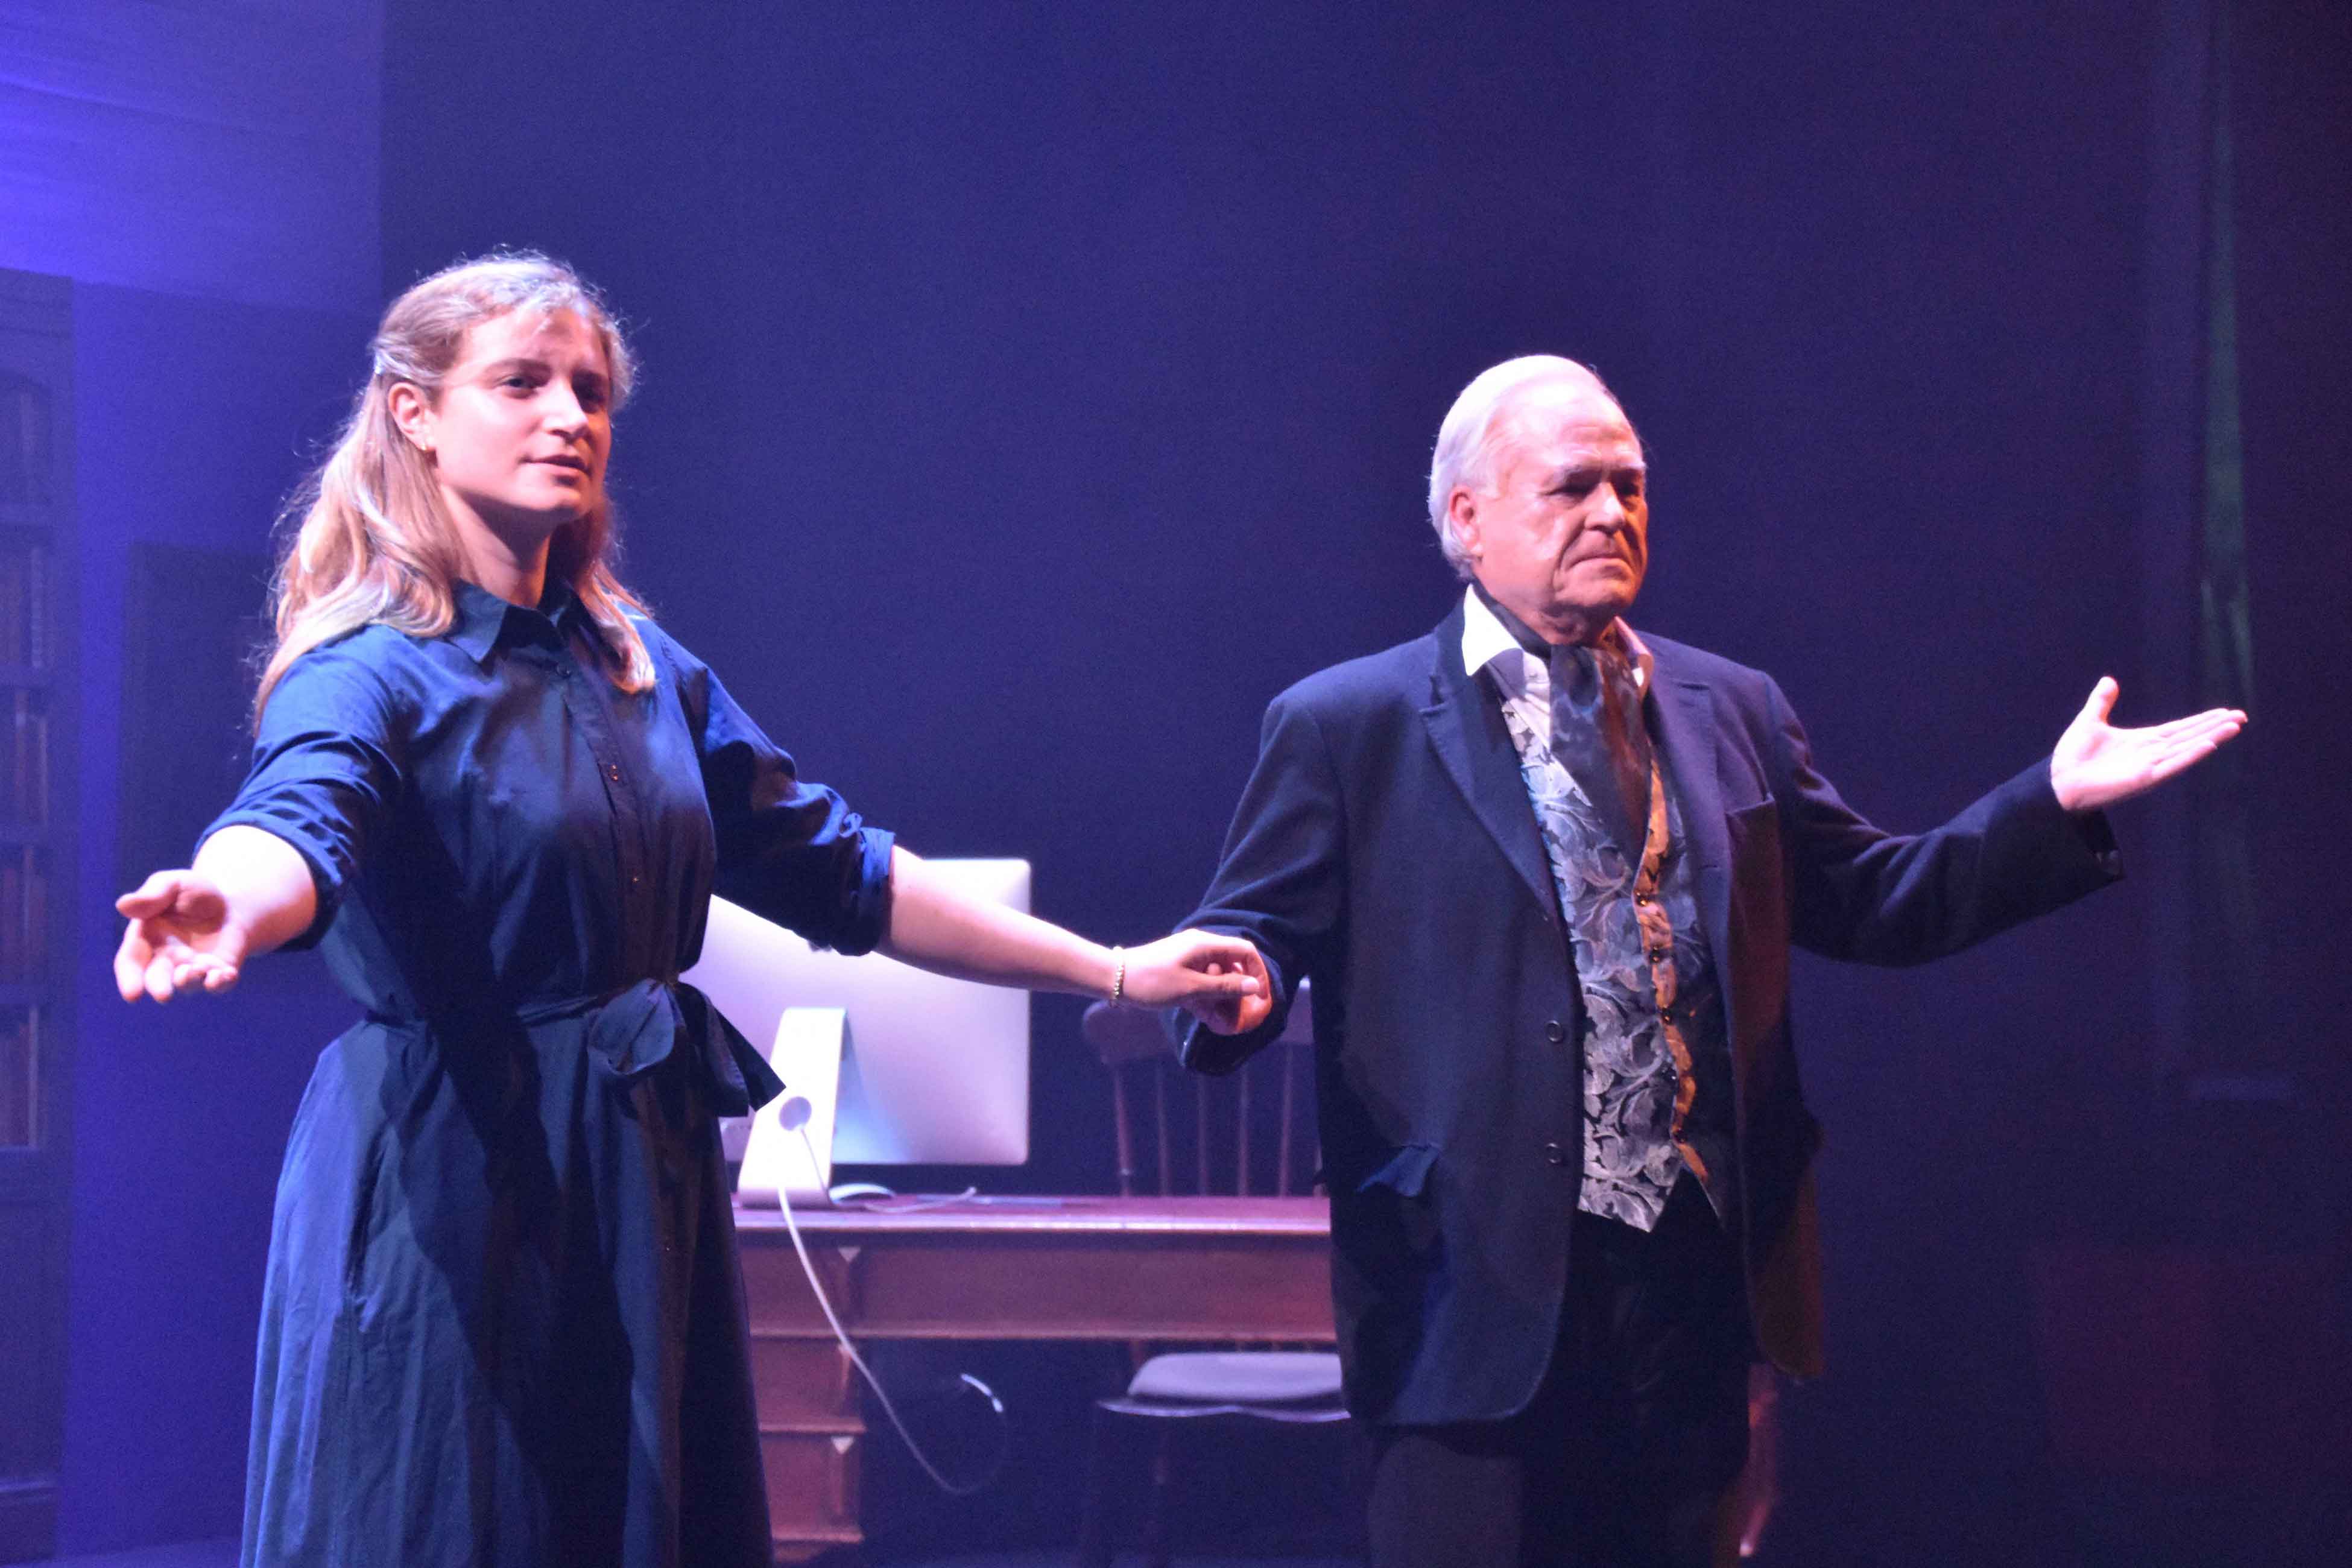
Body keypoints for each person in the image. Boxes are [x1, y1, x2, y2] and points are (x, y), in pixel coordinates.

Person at [112, 251, 1265, 1568]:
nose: (570, 416)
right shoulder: (368, 666)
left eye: (591, 391)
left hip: (634, 1169)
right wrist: (230, 898)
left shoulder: (639, 667)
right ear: (412, 413)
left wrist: (1117, 968)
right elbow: (300, 813)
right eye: (523, 382)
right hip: (459, 1172)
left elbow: (846, 873)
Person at [1174, 355, 2245, 1567]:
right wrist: (1240, 994)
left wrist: (2046, 805)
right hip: (1469, 1294)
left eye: (1629, 487)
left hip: (1686, 1293)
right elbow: (1244, 939)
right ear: (1467, 518)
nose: (1610, 513)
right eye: (1571, 487)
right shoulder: (1346, 724)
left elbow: (1872, 900)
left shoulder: (1727, 705)